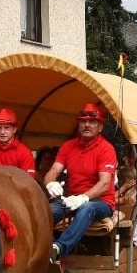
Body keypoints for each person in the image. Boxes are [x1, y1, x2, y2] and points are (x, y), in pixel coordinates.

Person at [43, 103, 117, 258]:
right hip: (71, 200)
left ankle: (58, 249)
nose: (87, 125)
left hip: (101, 202)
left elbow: (104, 184)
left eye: (92, 122)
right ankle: (40, 248)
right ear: (79, 125)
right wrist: (50, 183)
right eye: (83, 121)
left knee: (87, 208)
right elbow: (53, 171)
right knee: (45, 210)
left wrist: (83, 198)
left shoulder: (106, 149)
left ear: (100, 127)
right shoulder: (68, 146)